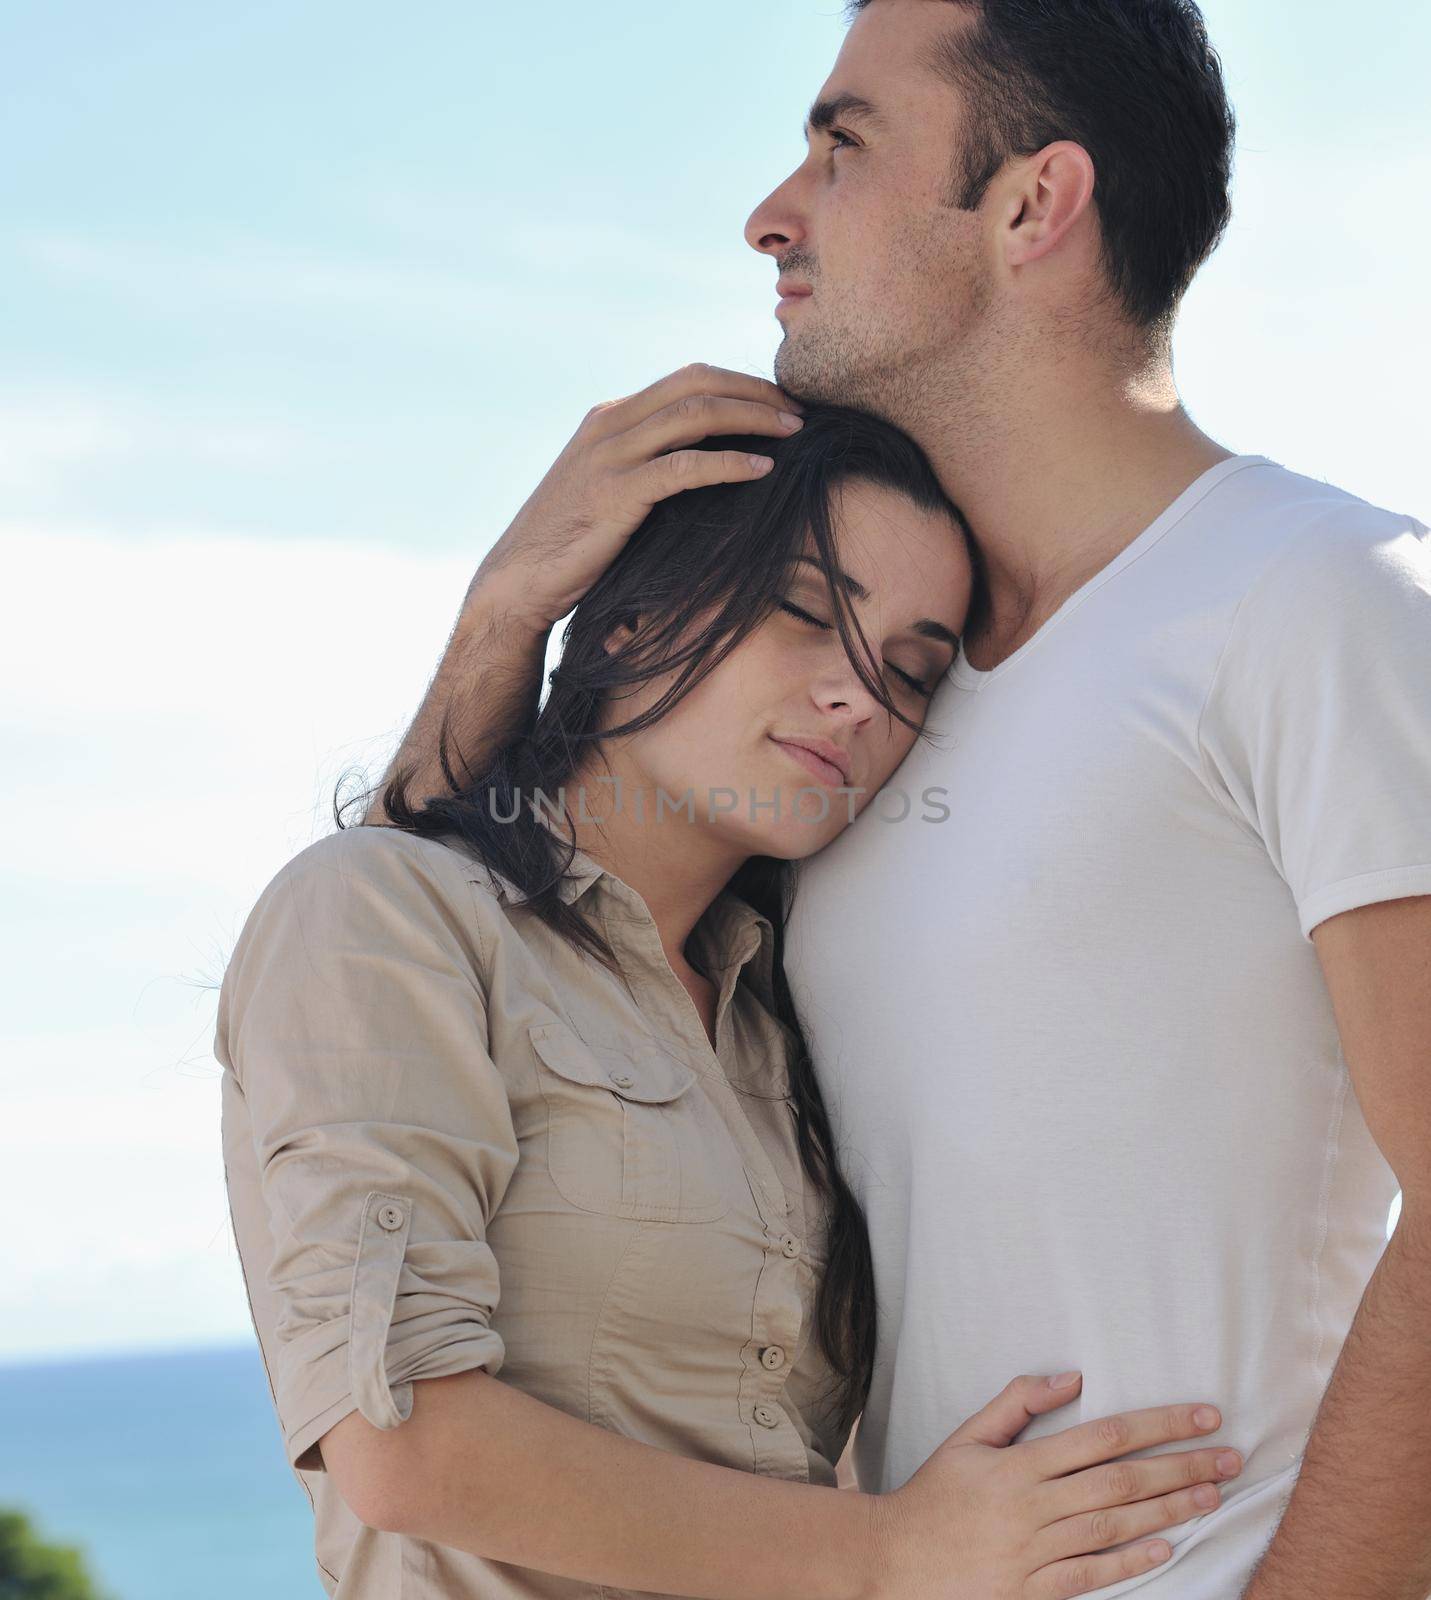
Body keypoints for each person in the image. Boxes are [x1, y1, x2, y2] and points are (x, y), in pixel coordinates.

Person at [365, 2, 1431, 1596]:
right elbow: (475, 954)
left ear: (1028, 206)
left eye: (841, 144)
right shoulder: (857, 721)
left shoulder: (1317, 596)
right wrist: (500, 619)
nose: (770, 213)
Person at [217, 402, 1244, 1600]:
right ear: (633, 611)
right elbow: (407, 1449)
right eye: (805, 610)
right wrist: (903, 1550)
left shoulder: (787, 1010)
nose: (859, 695)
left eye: (911, 670)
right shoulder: (386, 914)